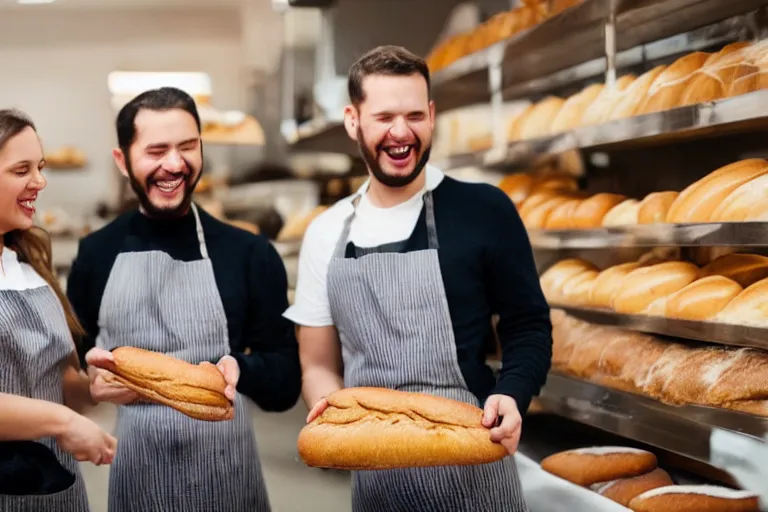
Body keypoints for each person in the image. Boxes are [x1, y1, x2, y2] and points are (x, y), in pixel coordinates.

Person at [285, 45, 553, 511]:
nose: (401, 132)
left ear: (431, 115)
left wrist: (512, 394)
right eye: (384, 116)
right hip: (377, 481)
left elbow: (528, 325)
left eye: (414, 114)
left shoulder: (484, 210)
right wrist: (339, 424)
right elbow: (318, 364)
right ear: (354, 120)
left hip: (477, 471)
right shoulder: (326, 233)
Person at [66, 87, 301, 512]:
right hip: (138, 475)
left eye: (187, 147)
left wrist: (240, 370)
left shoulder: (248, 253)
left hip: (228, 478)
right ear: (123, 161)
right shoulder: (97, 254)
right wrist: (91, 383)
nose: (174, 164)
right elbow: (73, 366)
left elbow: (285, 383)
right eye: (156, 150)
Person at [0, 108, 117, 511]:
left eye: (41, 167)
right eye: (21, 170)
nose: (40, 181)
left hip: (59, 493)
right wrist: (64, 423)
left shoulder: (29, 265)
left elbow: (56, 378)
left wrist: (94, 388)